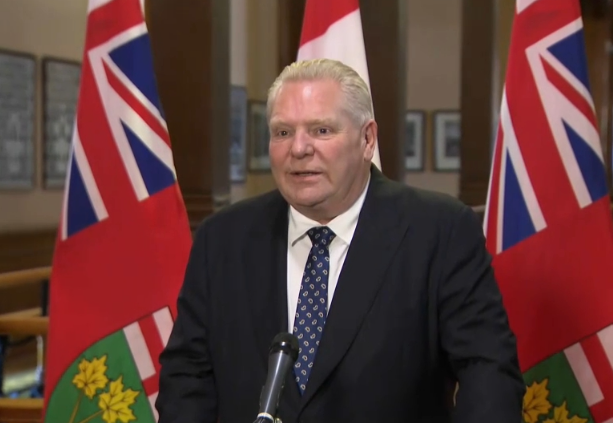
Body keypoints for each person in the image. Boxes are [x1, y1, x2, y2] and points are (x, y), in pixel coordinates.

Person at [155, 58, 525, 423]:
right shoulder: (223, 238)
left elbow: (488, 373)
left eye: (321, 130)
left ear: (367, 139)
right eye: (283, 132)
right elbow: (187, 377)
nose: (299, 148)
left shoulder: (439, 231)